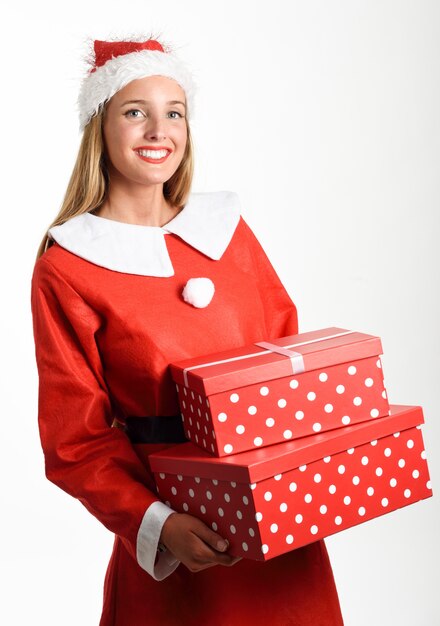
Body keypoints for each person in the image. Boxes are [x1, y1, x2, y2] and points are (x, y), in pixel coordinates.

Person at [31, 35, 345, 626]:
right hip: (180, 535)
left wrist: (315, 468)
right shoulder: (68, 265)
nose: (158, 131)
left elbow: (289, 362)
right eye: (134, 112)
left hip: (279, 514)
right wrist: (160, 525)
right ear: (99, 127)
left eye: (173, 112)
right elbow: (76, 441)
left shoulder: (228, 232)